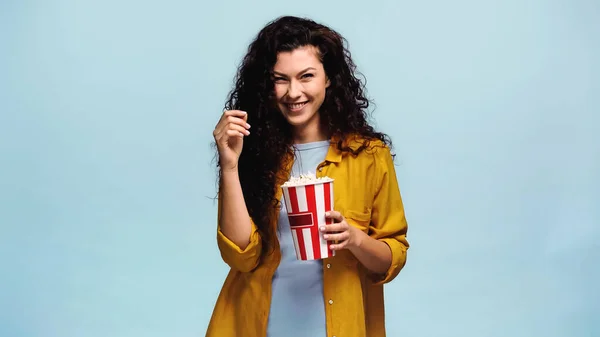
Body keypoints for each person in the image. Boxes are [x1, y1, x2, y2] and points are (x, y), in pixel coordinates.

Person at [207, 15, 409, 337]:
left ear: (328, 78)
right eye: (280, 79)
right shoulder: (254, 152)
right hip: (258, 323)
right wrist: (230, 165)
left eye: (306, 76)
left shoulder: (369, 155)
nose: (293, 92)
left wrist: (354, 239)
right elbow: (240, 256)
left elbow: (391, 258)